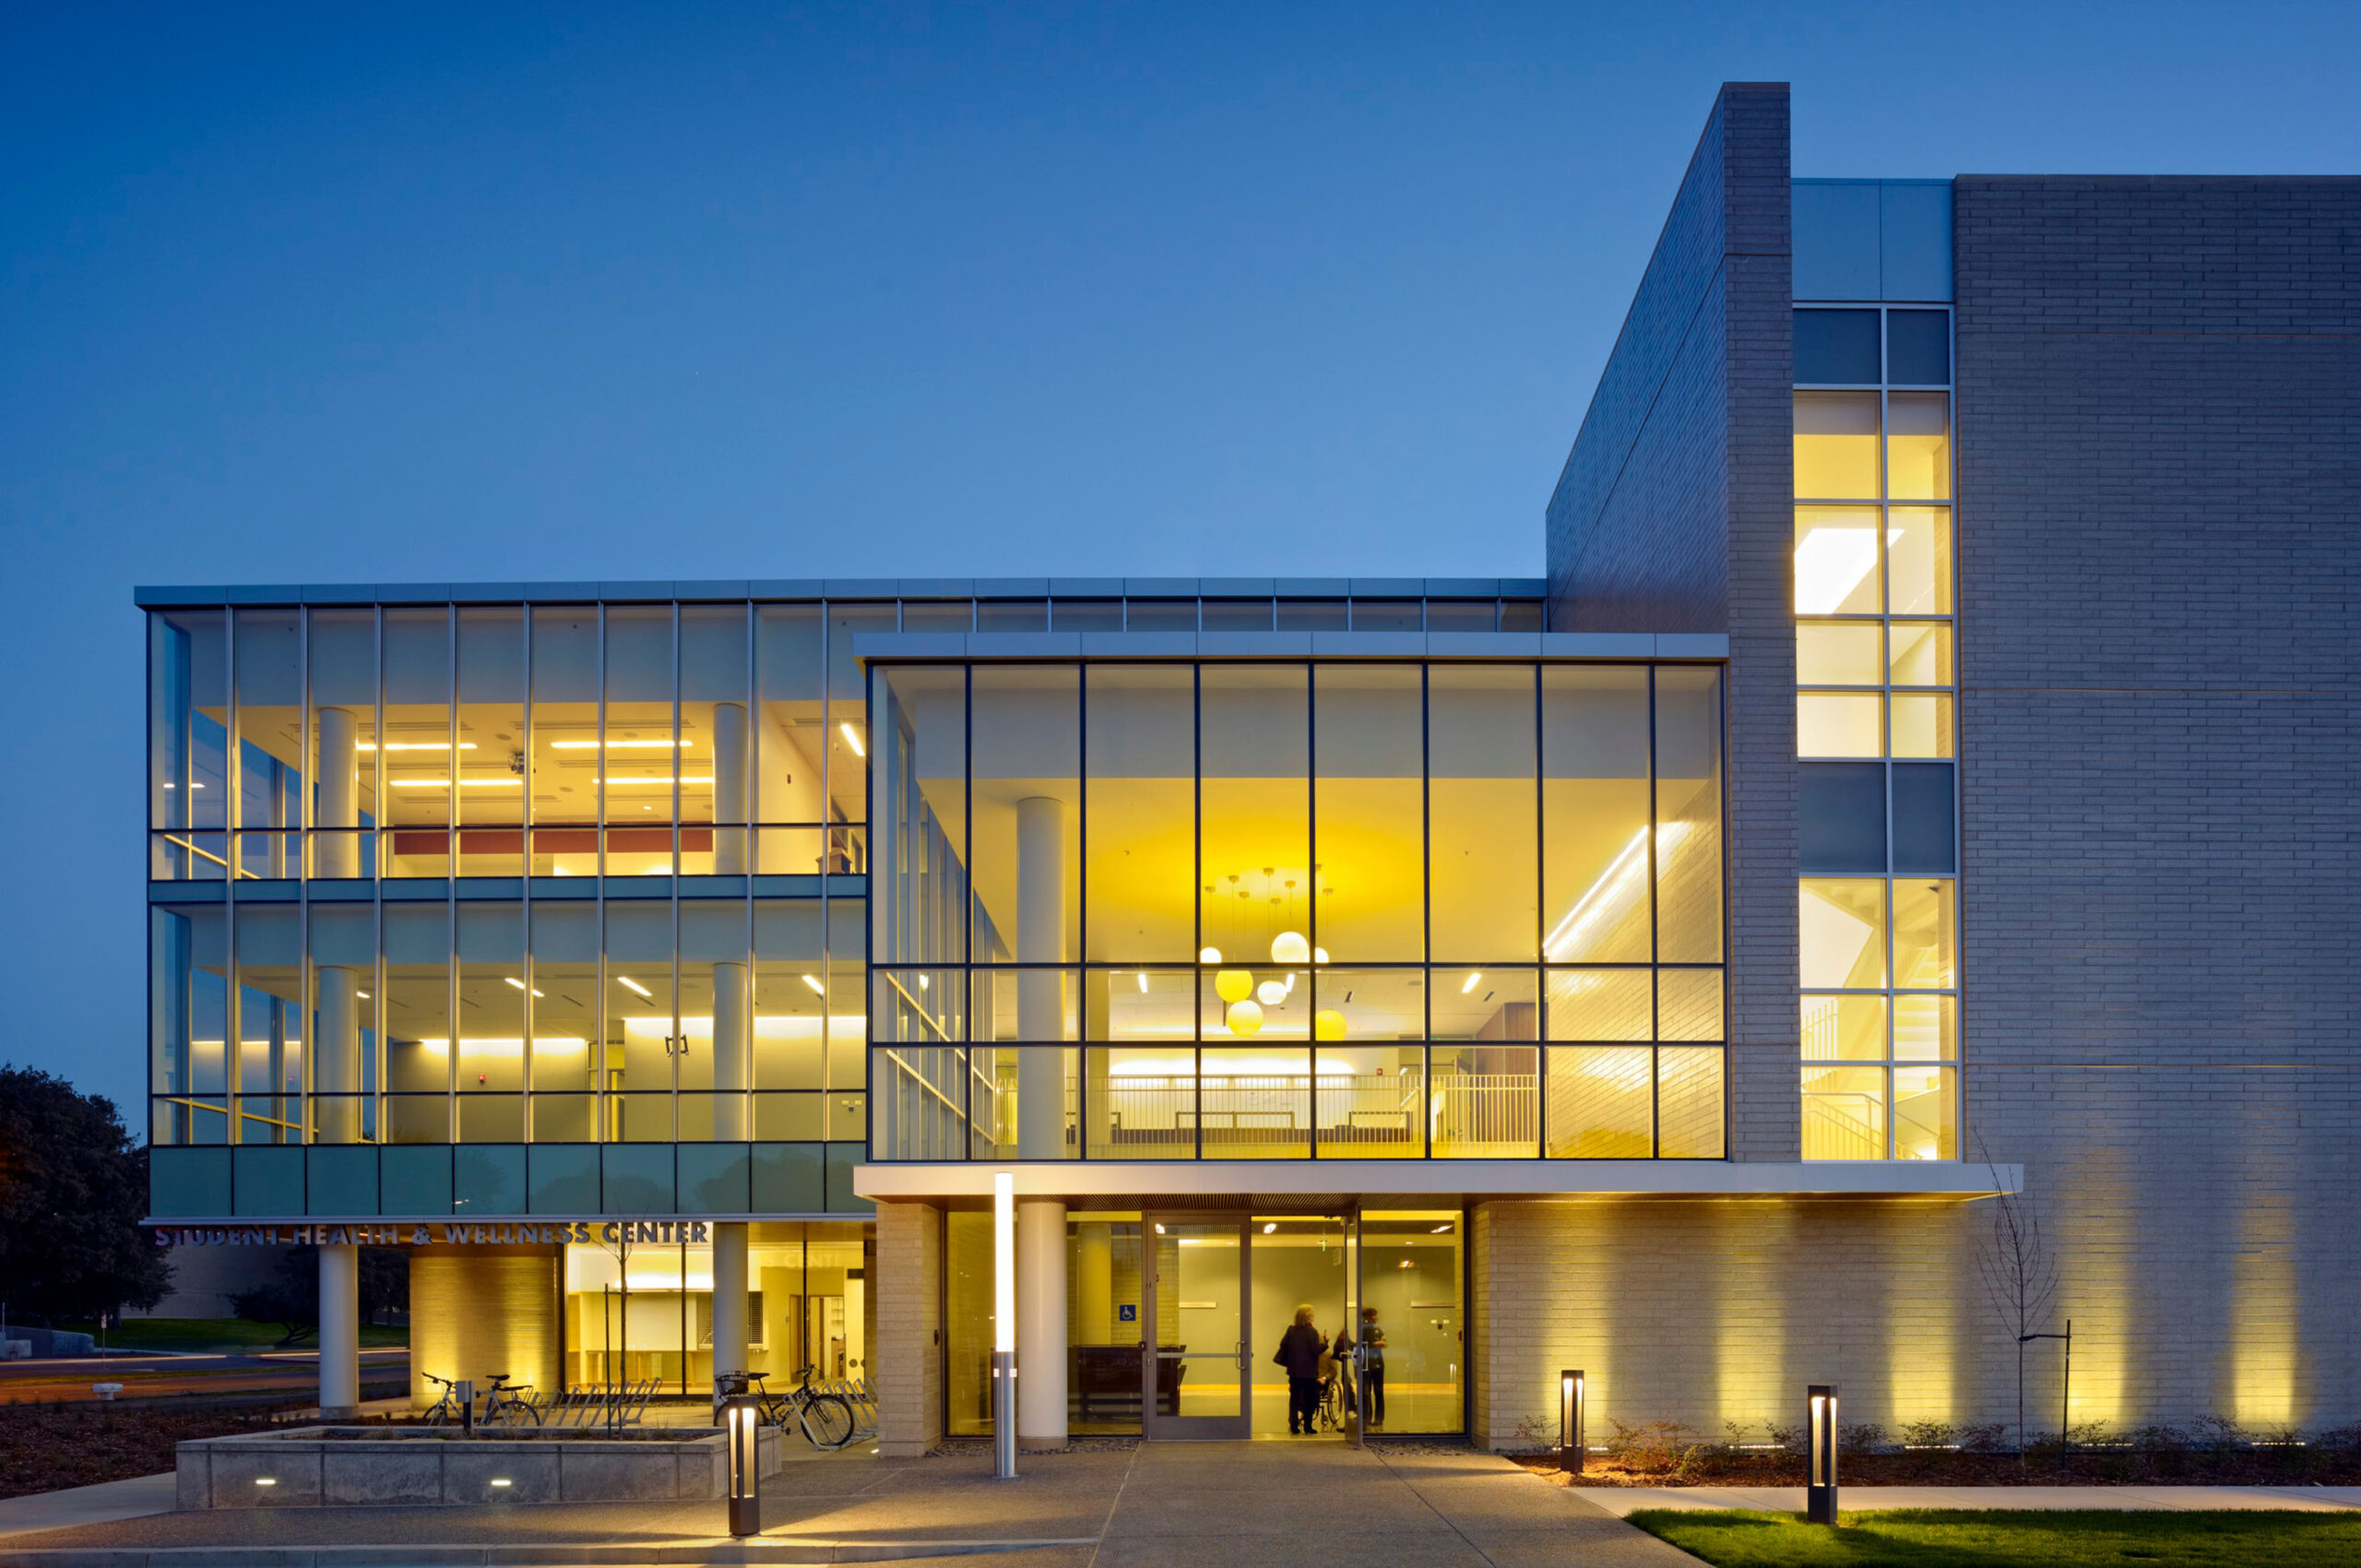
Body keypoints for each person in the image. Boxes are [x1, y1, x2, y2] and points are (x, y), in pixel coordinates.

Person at [1274, 1303, 1324, 1435]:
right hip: (1309, 1372)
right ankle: (1308, 1427)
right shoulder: (1312, 1332)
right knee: (1309, 1399)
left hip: (1294, 1371)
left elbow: (1282, 1344)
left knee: (1294, 1399)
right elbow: (1316, 1350)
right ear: (1309, 1317)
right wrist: (1325, 1344)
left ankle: (1294, 1426)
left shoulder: (1291, 1330)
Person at [1358, 1305, 1386, 1428]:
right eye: (1374, 1315)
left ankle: (1370, 1418)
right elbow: (1370, 1343)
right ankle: (1375, 1418)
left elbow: (1382, 1342)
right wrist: (1377, 1344)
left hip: (1373, 1362)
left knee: (1370, 1391)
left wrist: (1377, 1344)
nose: (1376, 1317)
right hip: (1373, 1362)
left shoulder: (1375, 1329)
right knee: (1374, 1391)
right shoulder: (1367, 1327)